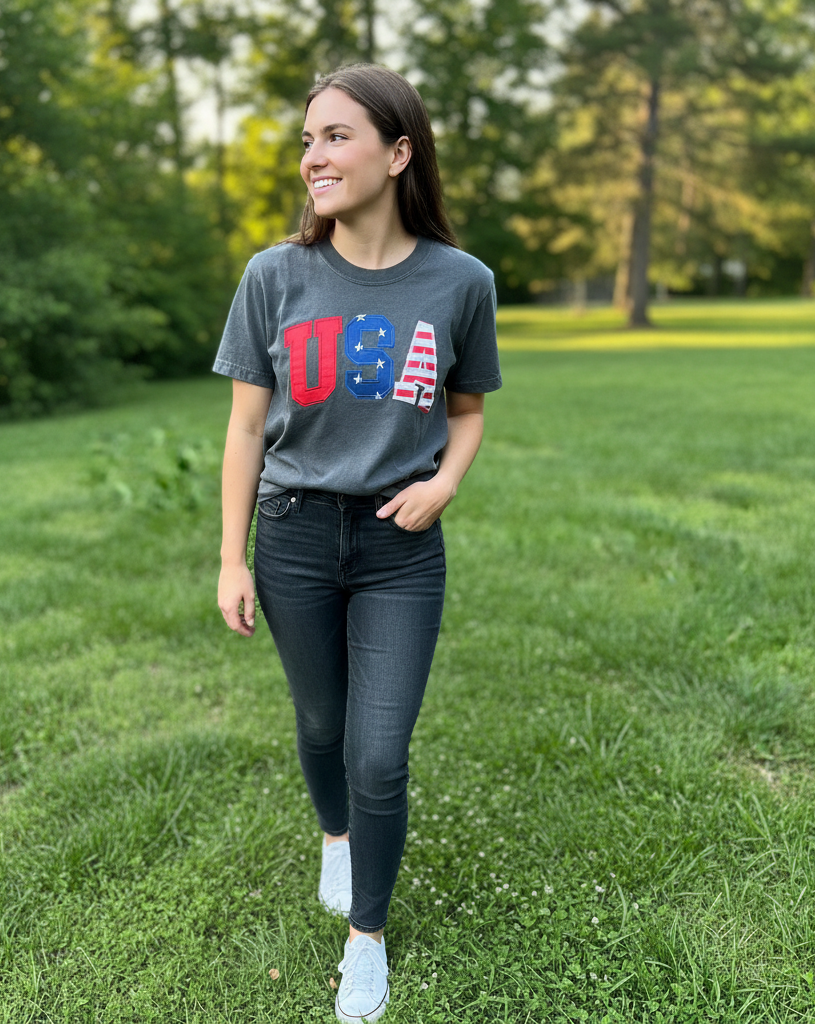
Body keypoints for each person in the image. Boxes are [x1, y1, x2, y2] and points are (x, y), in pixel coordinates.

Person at [214, 63, 501, 1022]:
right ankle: (334, 836)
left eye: (337, 136)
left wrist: (445, 483)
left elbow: (467, 412)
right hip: (293, 534)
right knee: (323, 728)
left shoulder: (461, 283)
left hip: (398, 546)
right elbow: (247, 430)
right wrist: (229, 555)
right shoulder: (274, 275)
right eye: (308, 140)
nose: (314, 157)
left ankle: (366, 938)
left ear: (398, 151)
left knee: (380, 754)